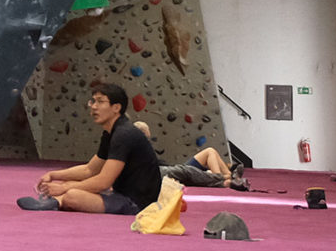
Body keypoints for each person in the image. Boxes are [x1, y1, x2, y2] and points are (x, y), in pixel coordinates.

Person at [20, 81, 163, 214]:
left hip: (137, 204)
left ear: (116, 108)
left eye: (100, 102)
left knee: (72, 195)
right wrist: (54, 175)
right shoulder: (111, 133)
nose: (94, 106)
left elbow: (103, 181)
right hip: (120, 194)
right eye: (93, 101)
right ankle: (54, 201)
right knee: (71, 184)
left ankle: (56, 201)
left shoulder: (123, 134)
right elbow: (89, 169)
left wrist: (62, 188)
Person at [163, 143, 247, 192]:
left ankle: (228, 174)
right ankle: (220, 177)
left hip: (171, 169)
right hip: (173, 173)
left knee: (210, 151)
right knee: (208, 153)